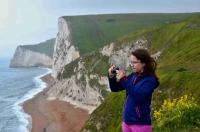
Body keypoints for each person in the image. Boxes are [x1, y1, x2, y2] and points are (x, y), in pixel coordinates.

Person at [108, 48, 159, 132]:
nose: (131, 65)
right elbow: (115, 88)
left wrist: (123, 79)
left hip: (140, 124)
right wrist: (111, 77)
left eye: (134, 62)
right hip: (126, 122)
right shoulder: (133, 76)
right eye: (131, 62)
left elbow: (137, 96)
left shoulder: (150, 80)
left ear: (143, 63)